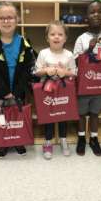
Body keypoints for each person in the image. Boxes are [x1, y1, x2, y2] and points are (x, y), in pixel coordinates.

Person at [0, 2, 34, 157]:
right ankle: (4, 143)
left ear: (17, 19)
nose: (6, 21)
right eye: (2, 18)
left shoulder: (24, 43)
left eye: (10, 18)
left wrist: (17, 91)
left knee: (16, 116)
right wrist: (4, 91)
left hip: (17, 90)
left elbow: (27, 69)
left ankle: (18, 140)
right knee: (2, 117)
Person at [74, 0, 101, 156]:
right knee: (81, 113)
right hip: (84, 84)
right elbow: (75, 61)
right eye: (92, 12)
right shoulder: (81, 38)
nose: (96, 15)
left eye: (99, 12)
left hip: (100, 84)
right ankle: (81, 138)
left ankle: (93, 138)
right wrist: (89, 49)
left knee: (94, 113)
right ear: (86, 17)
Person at [35, 20, 77, 160]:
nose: (56, 37)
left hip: (63, 90)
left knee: (63, 114)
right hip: (46, 90)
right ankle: (48, 141)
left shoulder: (69, 54)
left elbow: (74, 73)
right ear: (47, 38)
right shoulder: (43, 53)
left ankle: (63, 140)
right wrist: (46, 70)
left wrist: (64, 72)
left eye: (60, 34)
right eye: (53, 34)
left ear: (65, 38)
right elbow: (36, 72)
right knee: (49, 116)